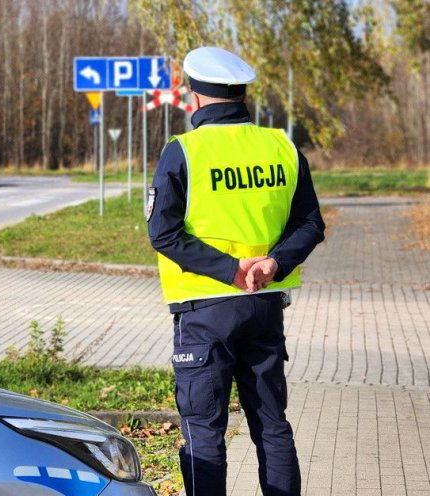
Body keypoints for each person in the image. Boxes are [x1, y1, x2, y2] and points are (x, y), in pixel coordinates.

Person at [146, 46, 325, 495]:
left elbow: (163, 235)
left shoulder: (183, 151)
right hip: (265, 305)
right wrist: (273, 262)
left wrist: (229, 270)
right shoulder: (281, 146)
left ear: (197, 96)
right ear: (242, 93)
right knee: (271, 424)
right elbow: (310, 223)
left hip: (206, 311)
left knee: (204, 431)